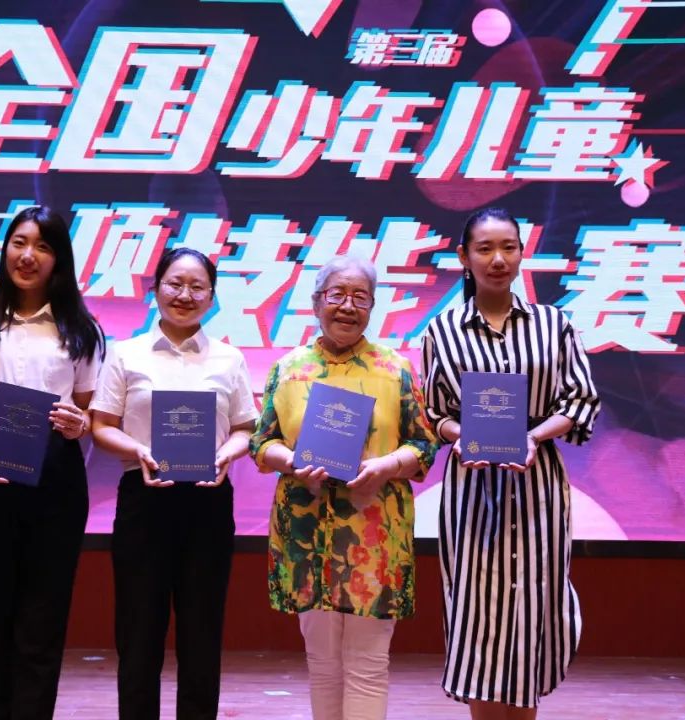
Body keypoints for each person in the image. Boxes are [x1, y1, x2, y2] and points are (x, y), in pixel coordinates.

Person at [419, 207, 601, 719]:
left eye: (509, 247)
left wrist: (532, 437)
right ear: (464, 257)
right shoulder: (442, 331)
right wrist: (462, 435)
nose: (498, 259)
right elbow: (433, 413)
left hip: (538, 485)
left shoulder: (555, 325)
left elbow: (581, 400)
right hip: (472, 490)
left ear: (522, 253)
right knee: (476, 605)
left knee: (534, 602)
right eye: (485, 249)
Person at [249, 254, 439, 720]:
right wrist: (293, 462)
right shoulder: (288, 368)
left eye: (360, 297)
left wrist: (387, 465)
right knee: (322, 663)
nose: (348, 306)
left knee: (368, 664)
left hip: (375, 533)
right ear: (317, 302)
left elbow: (424, 444)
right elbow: (261, 442)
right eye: (337, 294)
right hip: (306, 532)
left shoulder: (395, 369)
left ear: (372, 307)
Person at [0, 205, 105, 720]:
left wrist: (79, 424)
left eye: (43, 246)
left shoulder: (81, 329)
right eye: (19, 242)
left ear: (59, 261)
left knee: (44, 615)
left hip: (55, 471)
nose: (28, 256)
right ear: (5, 249)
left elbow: (88, 411)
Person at [90, 247, 259, 720]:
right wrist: (138, 450)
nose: (185, 295)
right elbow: (101, 425)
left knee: (202, 630)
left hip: (208, 502)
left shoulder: (229, 358)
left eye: (197, 286)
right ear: (156, 288)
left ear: (212, 296)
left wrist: (227, 453)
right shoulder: (126, 353)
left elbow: (246, 428)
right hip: (145, 498)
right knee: (138, 629)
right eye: (175, 283)